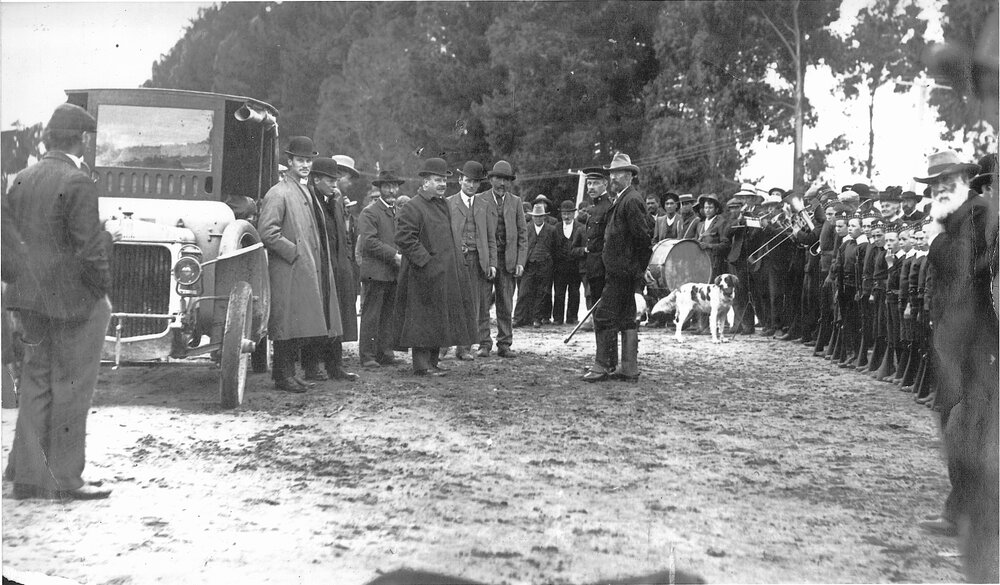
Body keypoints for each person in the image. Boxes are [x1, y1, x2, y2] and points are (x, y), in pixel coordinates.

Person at [1, 103, 114, 500]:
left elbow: (9, 242)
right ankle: (66, 479)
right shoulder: (78, 181)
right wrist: (100, 290)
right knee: (71, 386)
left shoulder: (22, 179)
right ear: (81, 139)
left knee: (35, 381)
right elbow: (90, 251)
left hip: (29, 300)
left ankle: (29, 477)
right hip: (73, 302)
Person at [918, 150, 998, 584]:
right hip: (951, 343)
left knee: (968, 427)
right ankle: (959, 509)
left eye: (948, 179)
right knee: (952, 423)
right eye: (933, 183)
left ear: (969, 178)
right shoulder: (948, 222)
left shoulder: (980, 216)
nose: (939, 188)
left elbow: (980, 272)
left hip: (981, 343)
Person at [259, 137, 343, 393]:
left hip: (303, 269)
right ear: (289, 162)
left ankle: (289, 375)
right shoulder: (279, 192)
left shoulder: (304, 190)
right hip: (288, 269)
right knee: (285, 324)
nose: (305, 165)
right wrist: (294, 252)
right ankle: (282, 376)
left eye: (309, 160)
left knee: (297, 324)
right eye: (300, 160)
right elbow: (267, 232)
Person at [393, 158, 478, 375]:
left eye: (444, 180)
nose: (442, 184)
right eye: (437, 180)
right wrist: (427, 263)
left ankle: (432, 362)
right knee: (422, 321)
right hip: (422, 275)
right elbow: (404, 238)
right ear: (425, 182)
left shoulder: (442, 205)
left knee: (437, 320)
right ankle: (421, 366)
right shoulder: (413, 206)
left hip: (444, 274)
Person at [583, 153, 653, 383]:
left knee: (603, 315)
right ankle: (629, 368)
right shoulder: (623, 198)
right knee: (625, 317)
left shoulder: (631, 200)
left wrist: (637, 270)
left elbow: (642, 239)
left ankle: (603, 365)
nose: (613, 177)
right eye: (611, 173)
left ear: (630, 176)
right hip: (620, 271)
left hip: (621, 272)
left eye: (618, 173)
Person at [302, 157, 359, 382]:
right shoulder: (308, 200)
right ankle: (311, 366)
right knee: (317, 318)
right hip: (317, 267)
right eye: (330, 180)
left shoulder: (333, 200)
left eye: (336, 180)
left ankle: (335, 366)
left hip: (336, 267)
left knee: (336, 319)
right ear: (316, 180)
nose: (335, 184)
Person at [446, 161, 497, 361]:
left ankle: (464, 347)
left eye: (475, 183)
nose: (471, 186)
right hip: (456, 260)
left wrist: (492, 263)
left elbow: (491, 237)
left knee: (474, 305)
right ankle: (443, 345)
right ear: (460, 180)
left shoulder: (484, 205)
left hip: (478, 261)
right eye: (468, 181)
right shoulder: (449, 203)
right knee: (452, 302)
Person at [477, 161, 527, 358]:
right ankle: (484, 343)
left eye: (506, 179)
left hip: (508, 261)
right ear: (491, 180)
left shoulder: (516, 202)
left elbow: (523, 234)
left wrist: (520, 261)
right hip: (486, 259)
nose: (502, 183)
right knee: (482, 302)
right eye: (498, 178)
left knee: (506, 303)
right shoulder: (480, 200)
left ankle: (504, 344)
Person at [357, 170, 404, 368]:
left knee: (388, 314)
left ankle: (385, 353)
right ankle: (367, 355)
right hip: (375, 272)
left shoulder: (397, 212)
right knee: (371, 314)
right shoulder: (370, 212)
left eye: (394, 186)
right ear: (380, 188)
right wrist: (394, 255)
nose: (392, 190)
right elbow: (369, 242)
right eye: (387, 186)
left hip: (392, 273)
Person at [515, 203, 558, 328]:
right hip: (529, 265)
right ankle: (519, 318)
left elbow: (555, 248)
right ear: (532, 217)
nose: (538, 219)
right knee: (524, 291)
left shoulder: (551, 230)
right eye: (535, 216)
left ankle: (537, 318)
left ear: (544, 217)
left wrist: (550, 261)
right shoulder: (526, 228)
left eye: (540, 216)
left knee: (542, 292)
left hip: (545, 265)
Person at [552, 200, 586, 325]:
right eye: (564, 214)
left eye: (569, 214)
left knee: (574, 292)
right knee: (559, 293)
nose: (566, 216)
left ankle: (572, 317)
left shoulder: (581, 228)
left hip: (575, 267)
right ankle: (557, 318)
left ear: (573, 214)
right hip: (559, 267)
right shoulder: (556, 228)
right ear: (561, 214)